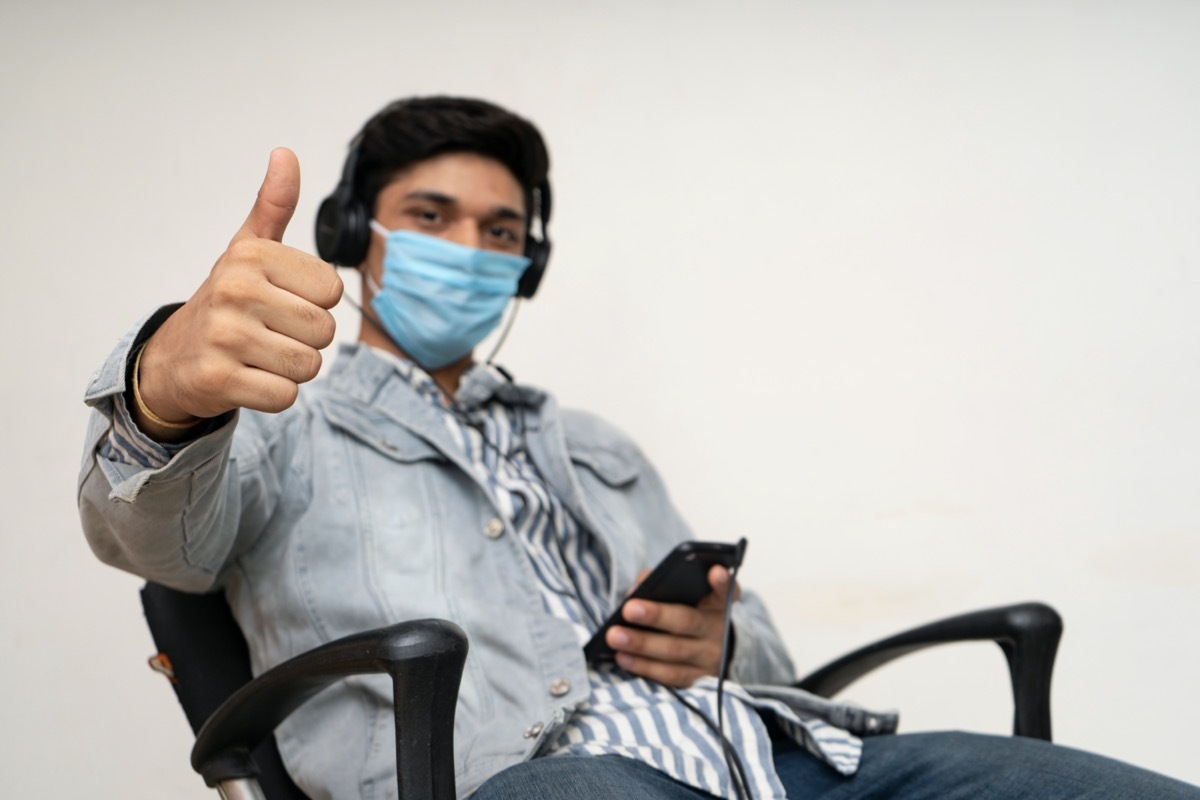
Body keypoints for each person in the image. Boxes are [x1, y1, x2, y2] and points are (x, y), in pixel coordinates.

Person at [78, 96, 1198, 800]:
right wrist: (164, 396)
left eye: (501, 231)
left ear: (528, 265)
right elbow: (154, 541)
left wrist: (720, 641)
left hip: (783, 765)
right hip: (533, 779)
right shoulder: (279, 423)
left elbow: (769, 652)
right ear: (353, 235)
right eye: (430, 215)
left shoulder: (592, 445)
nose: (471, 246)